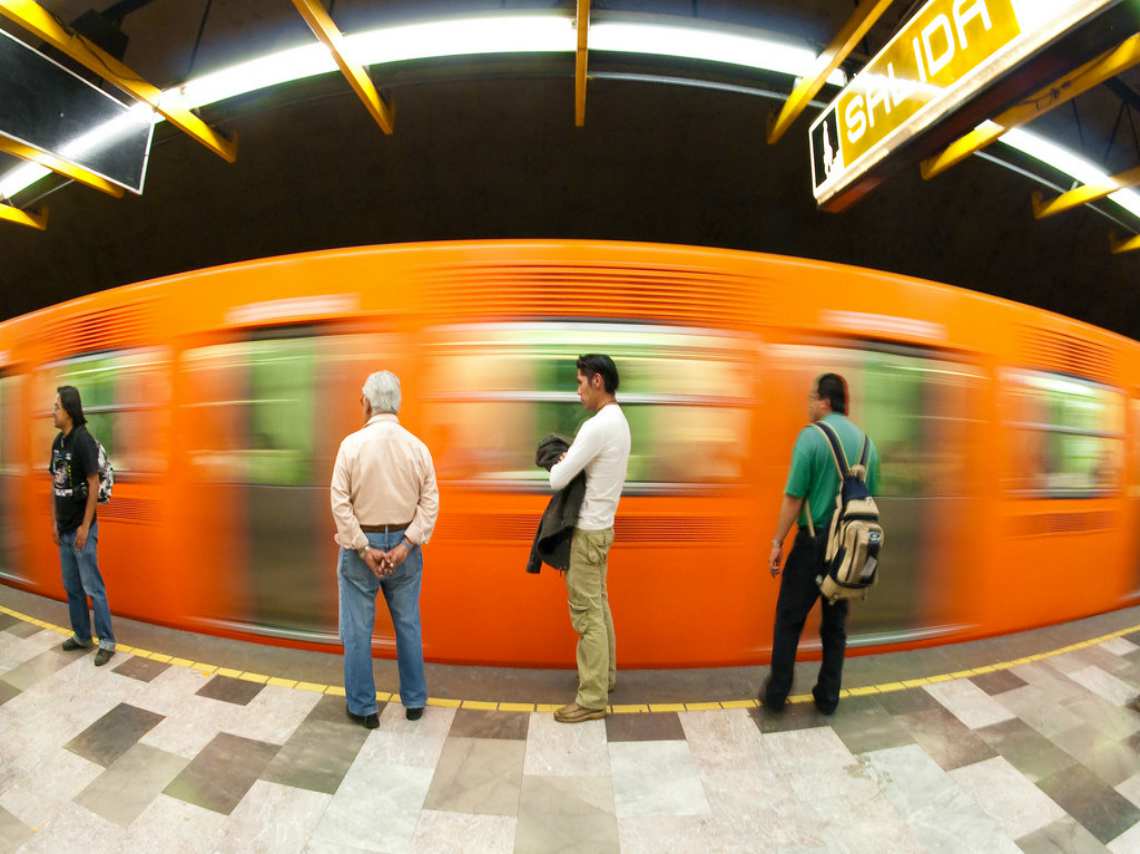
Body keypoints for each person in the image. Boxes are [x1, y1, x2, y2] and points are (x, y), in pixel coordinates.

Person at [762, 373, 879, 715]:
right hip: (849, 548)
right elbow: (871, 496)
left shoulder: (811, 437)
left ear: (825, 401)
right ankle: (828, 697)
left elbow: (794, 497)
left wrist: (776, 542)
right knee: (835, 625)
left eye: (812, 397)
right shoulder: (868, 445)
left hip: (813, 544)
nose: (809, 403)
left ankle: (777, 693)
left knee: (789, 619)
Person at [331, 371, 439, 728]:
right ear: (398, 402)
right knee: (408, 625)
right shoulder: (417, 447)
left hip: (363, 548)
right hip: (405, 551)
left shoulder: (351, 445)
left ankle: (364, 709)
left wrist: (364, 549)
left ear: (367, 402)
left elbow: (340, 504)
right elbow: (430, 502)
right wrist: (407, 545)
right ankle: (414, 702)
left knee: (358, 629)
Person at [548, 355, 631, 723]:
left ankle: (592, 698)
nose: (578, 389)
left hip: (586, 533)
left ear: (598, 381)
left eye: (581, 382)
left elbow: (557, 479)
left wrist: (564, 461)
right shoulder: (621, 422)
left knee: (586, 616)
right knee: (599, 604)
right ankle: (605, 677)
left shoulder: (597, 426)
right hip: (603, 529)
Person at [50, 385, 116, 666]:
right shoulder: (58, 443)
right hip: (64, 527)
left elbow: (92, 484)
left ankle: (108, 641)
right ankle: (81, 635)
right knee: (72, 586)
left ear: (69, 411)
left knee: (92, 587)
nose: (53, 412)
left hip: (81, 529)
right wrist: (55, 521)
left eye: (56, 407)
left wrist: (85, 527)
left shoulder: (82, 441)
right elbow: (55, 482)